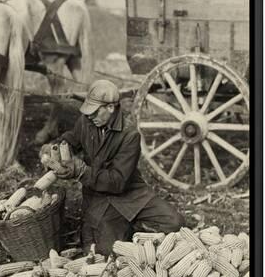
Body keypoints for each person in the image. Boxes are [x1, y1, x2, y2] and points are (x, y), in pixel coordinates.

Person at [44, 79, 185, 256]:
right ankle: (124, 229)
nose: (90, 116)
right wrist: (53, 149)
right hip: (98, 196)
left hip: (129, 192)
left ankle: (132, 226)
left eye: (95, 112)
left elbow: (118, 181)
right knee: (104, 252)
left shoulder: (129, 134)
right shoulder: (87, 121)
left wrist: (82, 172)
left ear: (110, 108)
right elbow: (72, 139)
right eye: (88, 112)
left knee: (174, 222)